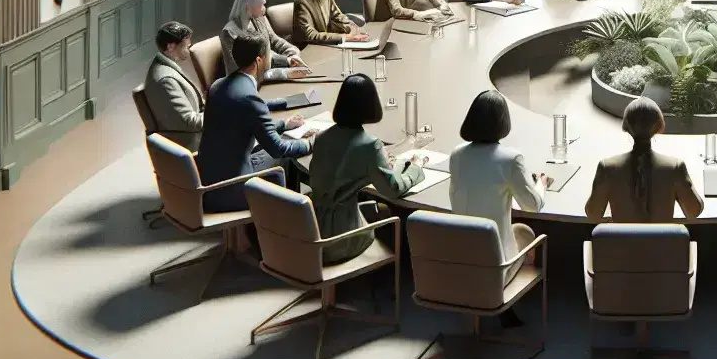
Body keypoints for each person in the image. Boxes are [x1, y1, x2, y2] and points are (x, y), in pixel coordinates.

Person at [447, 90, 554, 325]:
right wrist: (541, 184)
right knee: (525, 232)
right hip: (494, 268)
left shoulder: (456, 155)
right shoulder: (510, 158)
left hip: (456, 264)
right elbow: (533, 205)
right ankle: (504, 303)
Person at [306, 73, 429, 265]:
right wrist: (415, 167)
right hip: (341, 238)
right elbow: (392, 189)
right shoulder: (370, 146)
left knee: (371, 205)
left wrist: (383, 163)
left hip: (311, 228)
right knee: (393, 213)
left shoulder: (321, 138)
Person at [195, 34, 314, 213]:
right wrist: (311, 143)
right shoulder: (248, 97)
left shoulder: (218, 85)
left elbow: (242, 122)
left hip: (209, 180)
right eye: (269, 55)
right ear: (259, 60)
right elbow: (278, 148)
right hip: (231, 188)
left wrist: (283, 124)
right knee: (287, 158)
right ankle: (287, 221)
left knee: (279, 142)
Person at [585, 97, 705, 222]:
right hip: (664, 242)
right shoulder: (675, 167)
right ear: (660, 126)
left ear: (625, 126)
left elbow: (593, 215)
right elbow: (693, 212)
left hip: (621, 242)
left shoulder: (607, 168)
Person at [220, 0, 310, 80]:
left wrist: (292, 55)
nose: (264, 8)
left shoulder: (260, 19)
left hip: (269, 73)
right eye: (262, 4)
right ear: (248, 7)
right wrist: (285, 68)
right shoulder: (229, 33)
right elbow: (244, 72)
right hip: (250, 84)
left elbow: (275, 41)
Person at [143, 22, 209, 151]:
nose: (188, 51)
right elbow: (190, 122)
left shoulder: (165, 67)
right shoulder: (166, 80)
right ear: (171, 47)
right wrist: (218, 113)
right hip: (193, 145)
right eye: (186, 46)